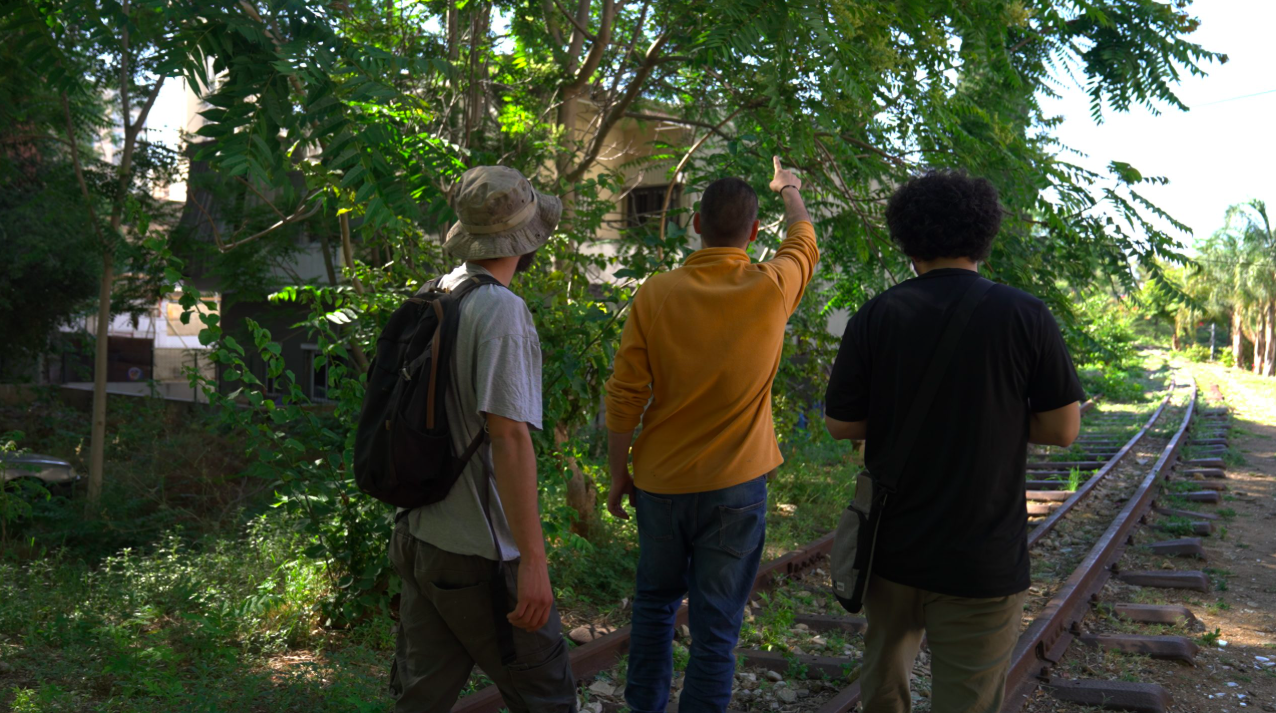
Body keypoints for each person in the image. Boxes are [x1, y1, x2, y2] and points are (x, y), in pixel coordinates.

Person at [823, 170, 1084, 713]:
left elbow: (842, 424)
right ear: (984, 237)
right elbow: (1063, 429)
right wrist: (992, 417)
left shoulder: (876, 315)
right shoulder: (1025, 315)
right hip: (980, 558)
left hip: (892, 551)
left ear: (908, 240)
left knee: (883, 689)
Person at [604, 157, 820, 713]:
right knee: (717, 624)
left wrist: (616, 475)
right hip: (736, 489)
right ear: (752, 233)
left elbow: (626, 395)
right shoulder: (772, 286)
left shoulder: (655, 294)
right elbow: (803, 237)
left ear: (695, 223)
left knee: (653, 606)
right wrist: (788, 187)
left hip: (660, 484)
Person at [388, 165, 576, 712]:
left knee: (420, 701)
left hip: (422, 536)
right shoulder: (501, 311)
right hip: (482, 556)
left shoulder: (439, 291)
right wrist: (534, 563)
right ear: (529, 239)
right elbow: (510, 438)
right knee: (549, 700)